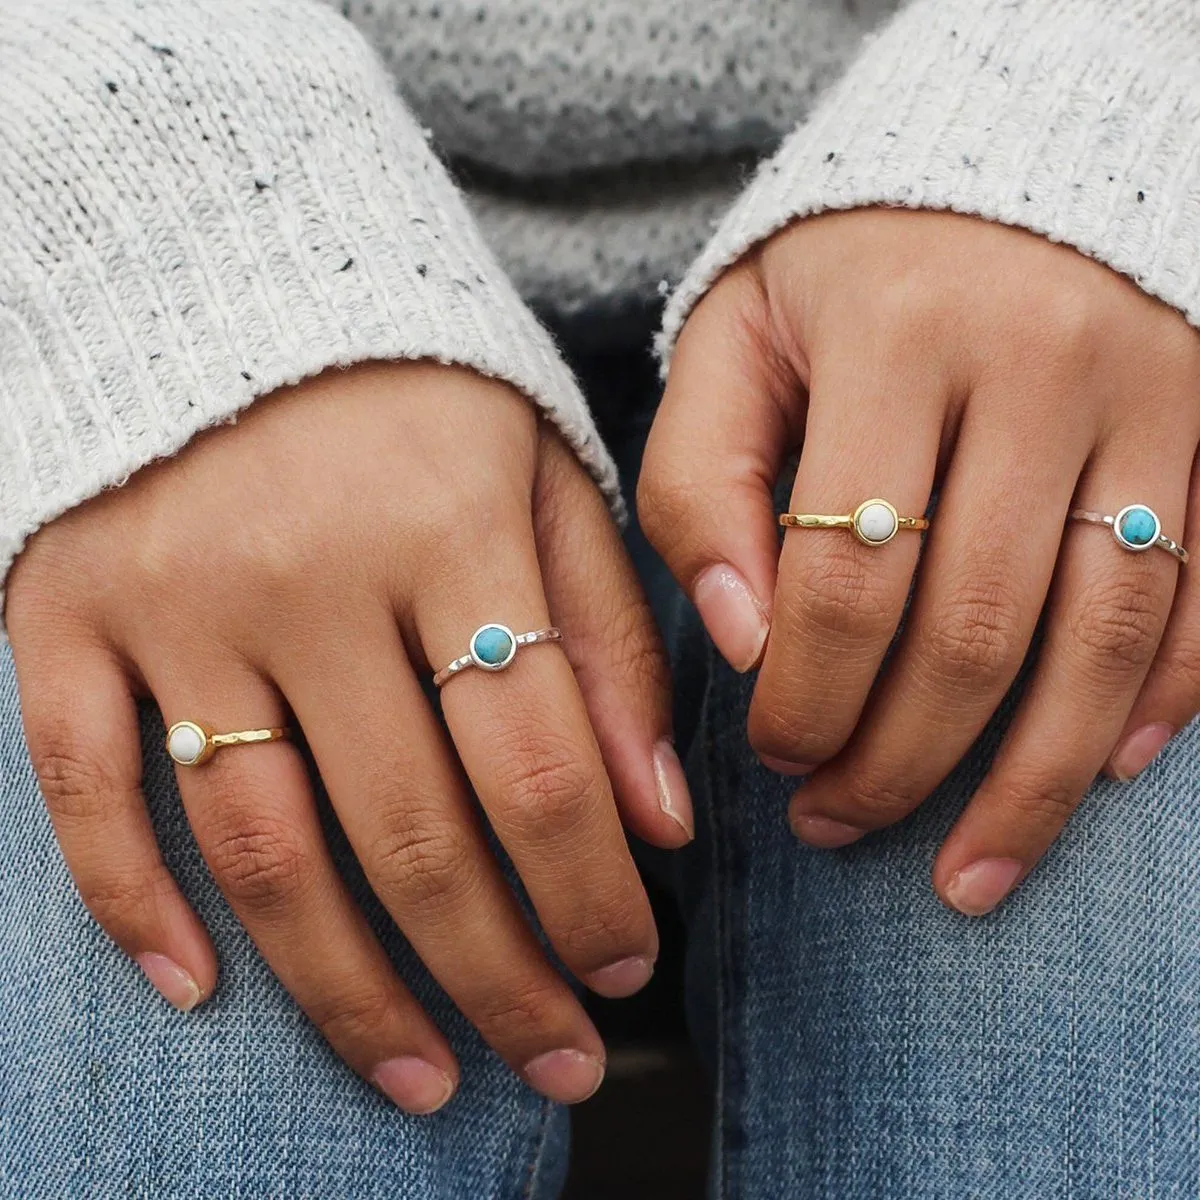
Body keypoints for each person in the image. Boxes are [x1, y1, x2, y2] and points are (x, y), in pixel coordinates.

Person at [1, 0, 1197, 1195]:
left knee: (1070, 847)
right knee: (197, 944)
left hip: (1032, 201)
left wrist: (1108, 115)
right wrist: (155, 229)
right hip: (155, 238)